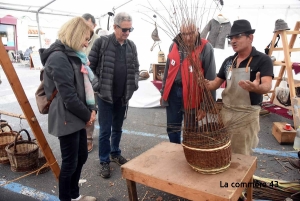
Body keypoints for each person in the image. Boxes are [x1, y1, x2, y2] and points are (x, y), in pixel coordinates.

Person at [40, 17, 97, 201]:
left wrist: (92, 108)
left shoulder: (73, 54)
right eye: (85, 38)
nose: (87, 42)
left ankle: (74, 195)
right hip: (66, 116)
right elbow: (69, 97)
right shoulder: (58, 56)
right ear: (75, 34)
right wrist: (88, 114)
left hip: (76, 115)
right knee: (70, 162)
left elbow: (85, 86)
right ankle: (67, 197)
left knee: (80, 156)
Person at [205, 19, 273, 155]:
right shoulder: (229, 61)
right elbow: (215, 84)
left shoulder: (262, 59)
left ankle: (242, 177)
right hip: (226, 113)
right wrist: (204, 83)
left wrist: (256, 88)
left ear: (250, 37)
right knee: (223, 151)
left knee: (241, 154)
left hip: (246, 115)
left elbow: (267, 86)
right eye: (231, 38)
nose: (233, 41)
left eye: (238, 36)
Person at [89, 12, 139, 178]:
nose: (127, 33)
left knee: (117, 128)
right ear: (115, 27)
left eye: (130, 29)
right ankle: (104, 160)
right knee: (105, 131)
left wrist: (134, 83)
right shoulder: (101, 43)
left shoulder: (131, 46)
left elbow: (136, 68)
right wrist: (98, 86)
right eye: (124, 29)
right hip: (105, 97)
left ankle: (115, 153)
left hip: (122, 97)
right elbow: (89, 68)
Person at [160, 21, 216, 144]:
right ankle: (174, 151)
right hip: (174, 92)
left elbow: (211, 79)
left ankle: (189, 154)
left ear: (198, 29)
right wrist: (163, 92)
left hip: (193, 93)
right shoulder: (173, 45)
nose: (188, 37)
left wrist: (205, 106)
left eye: (191, 33)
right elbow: (167, 72)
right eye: (184, 34)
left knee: (191, 129)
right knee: (172, 127)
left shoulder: (206, 47)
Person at [82, 13, 100, 153]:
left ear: (94, 25)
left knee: (90, 109)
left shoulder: (98, 40)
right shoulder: (78, 38)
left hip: (92, 79)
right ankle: (80, 137)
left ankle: (88, 138)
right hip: (79, 78)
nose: (86, 28)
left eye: (88, 25)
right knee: (78, 108)